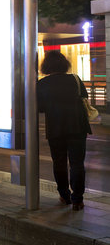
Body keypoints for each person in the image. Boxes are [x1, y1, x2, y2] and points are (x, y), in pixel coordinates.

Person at [37, 51, 92, 211]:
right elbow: (84, 96)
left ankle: (64, 195)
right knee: (77, 163)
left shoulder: (42, 84)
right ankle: (78, 200)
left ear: (46, 65)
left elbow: (39, 108)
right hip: (78, 127)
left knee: (59, 162)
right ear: (64, 64)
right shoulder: (75, 79)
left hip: (55, 128)